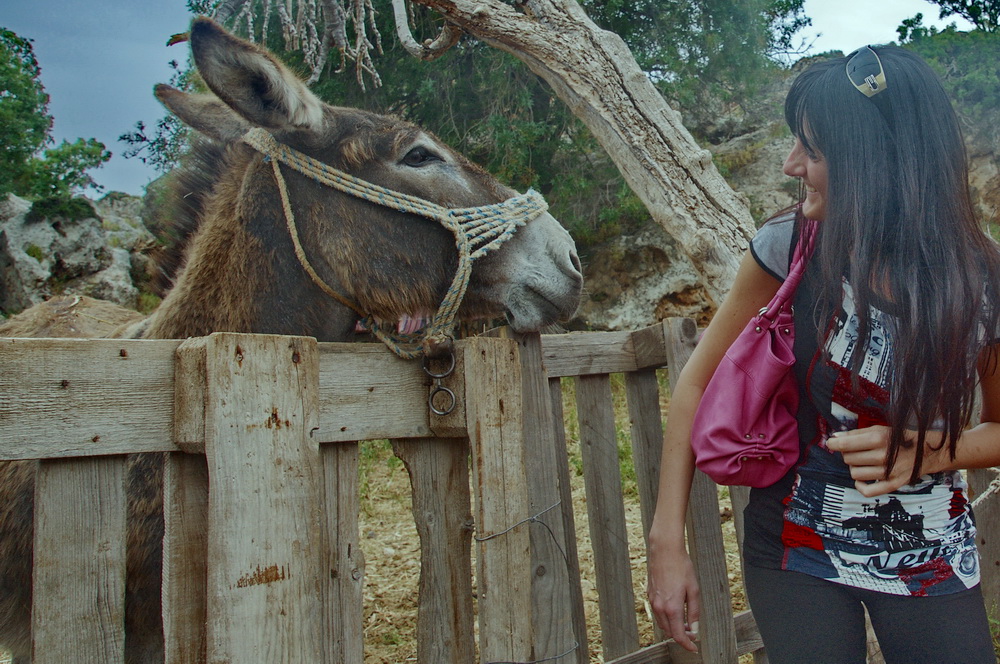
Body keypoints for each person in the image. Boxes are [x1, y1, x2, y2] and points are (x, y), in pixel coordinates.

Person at [646, 44, 1000, 664]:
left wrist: (931, 450)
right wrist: (665, 545)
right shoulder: (787, 246)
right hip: (794, 543)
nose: (790, 166)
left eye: (811, 150)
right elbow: (695, 384)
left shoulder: (982, 278)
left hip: (929, 548)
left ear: (877, 161)